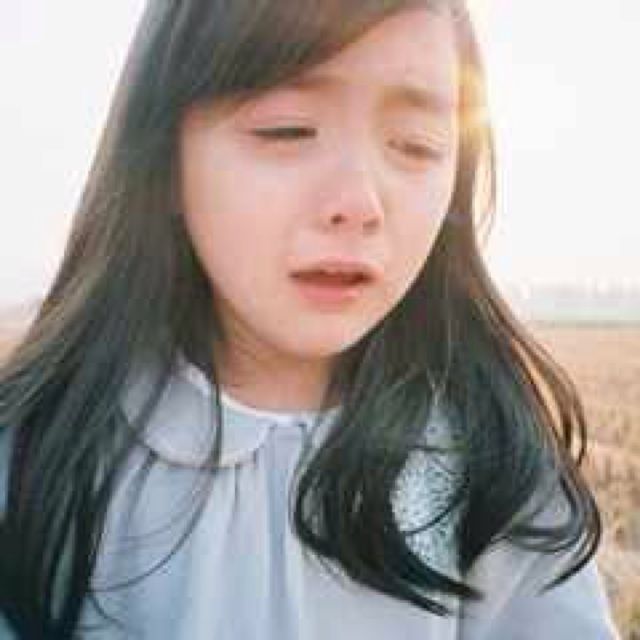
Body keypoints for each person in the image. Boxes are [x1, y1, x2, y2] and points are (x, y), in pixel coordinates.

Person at [0, 0, 621, 638]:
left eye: (416, 145)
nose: (358, 203)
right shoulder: (35, 456)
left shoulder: (496, 469)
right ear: (161, 158)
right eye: (288, 130)